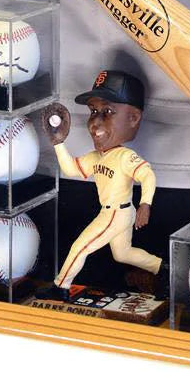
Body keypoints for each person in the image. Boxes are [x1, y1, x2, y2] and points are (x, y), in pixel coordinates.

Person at [43, 69, 162, 292]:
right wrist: (58, 143)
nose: (95, 122)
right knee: (123, 254)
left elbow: (147, 175)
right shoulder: (96, 157)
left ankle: (60, 287)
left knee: (81, 247)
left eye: (107, 111)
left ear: (133, 118)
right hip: (118, 212)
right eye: (93, 111)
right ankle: (161, 268)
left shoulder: (125, 156)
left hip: (116, 213)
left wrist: (146, 204)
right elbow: (70, 169)